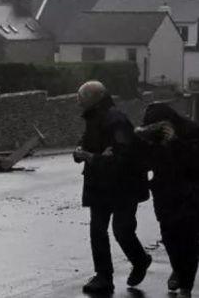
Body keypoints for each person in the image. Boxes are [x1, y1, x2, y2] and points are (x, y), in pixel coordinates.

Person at [73, 81, 151, 294]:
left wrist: (92, 157)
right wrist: (81, 152)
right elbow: (86, 144)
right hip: (99, 184)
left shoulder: (115, 119)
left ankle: (140, 260)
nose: (77, 100)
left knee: (122, 230)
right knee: (97, 230)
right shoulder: (93, 118)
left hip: (125, 185)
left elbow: (122, 156)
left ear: (94, 98)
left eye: (81, 96)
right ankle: (103, 276)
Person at [139, 103, 199, 298]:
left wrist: (175, 142)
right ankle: (178, 269)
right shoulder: (151, 136)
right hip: (163, 192)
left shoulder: (191, 130)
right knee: (168, 236)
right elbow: (145, 161)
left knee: (188, 240)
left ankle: (186, 286)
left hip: (189, 192)